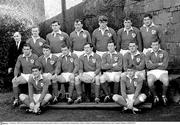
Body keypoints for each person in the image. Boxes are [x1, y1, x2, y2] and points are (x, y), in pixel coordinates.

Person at [146, 40, 169, 106]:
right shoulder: (148, 53)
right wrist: (159, 63)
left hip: (162, 71)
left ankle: (164, 96)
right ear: (151, 46)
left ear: (159, 45)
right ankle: (155, 96)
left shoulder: (164, 53)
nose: (155, 46)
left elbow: (164, 66)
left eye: (156, 45)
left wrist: (153, 64)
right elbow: (148, 66)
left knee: (166, 80)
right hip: (152, 72)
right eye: (153, 45)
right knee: (149, 81)